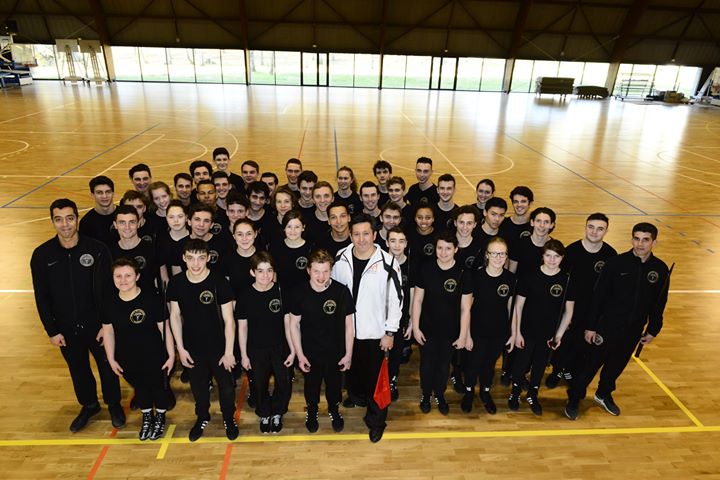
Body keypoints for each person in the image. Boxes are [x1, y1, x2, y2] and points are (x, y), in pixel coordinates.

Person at [30, 199, 124, 432]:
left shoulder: (98, 250)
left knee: (107, 366)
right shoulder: (42, 255)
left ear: (77, 219)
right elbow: (41, 296)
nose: (65, 224)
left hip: (98, 326)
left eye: (69, 218)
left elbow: (111, 291)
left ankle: (114, 404)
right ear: (52, 221)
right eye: (59, 219)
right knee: (78, 368)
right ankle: (89, 405)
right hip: (66, 327)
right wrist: (52, 330)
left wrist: (107, 324)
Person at [565, 223, 669, 421]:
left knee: (616, 366)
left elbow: (659, 302)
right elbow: (599, 297)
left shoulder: (660, 270)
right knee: (589, 366)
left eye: (645, 239)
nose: (640, 244)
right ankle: (574, 398)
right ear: (631, 239)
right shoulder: (616, 264)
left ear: (654, 242)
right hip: (607, 327)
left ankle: (603, 393)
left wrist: (653, 329)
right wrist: (591, 326)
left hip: (633, 329)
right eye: (636, 238)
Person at [332, 214, 402, 442]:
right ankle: (357, 396)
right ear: (351, 235)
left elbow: (396, 300)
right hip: (348, 333)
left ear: (374, 235)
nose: (361, 239)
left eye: (365, 234)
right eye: (356, 234)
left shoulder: (389, 263)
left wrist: (390, 332)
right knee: (353, 373)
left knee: (377, 382)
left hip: (375, 334)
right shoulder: (341, 258)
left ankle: (376, 421)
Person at [167, 239, 238, 441]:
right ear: (183, 259)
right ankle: (202, 416)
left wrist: (229, 352)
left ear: (208, 258)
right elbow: (174, 316)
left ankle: (228, 418)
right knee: (198, 387)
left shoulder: (219, 282)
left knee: (226, 387)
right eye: (190, 258)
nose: (195, 263)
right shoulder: (176, 283)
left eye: (200, 258)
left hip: (220, 348)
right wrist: (180, 348)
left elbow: (229, 320)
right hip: (193, 348)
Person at [103, 258, 175, 440]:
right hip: (128, 357)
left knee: (158, 389)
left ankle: (159, 416)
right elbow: (108, 332)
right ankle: (147, 416)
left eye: (128, 275)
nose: (123, 280)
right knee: (140, 389)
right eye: (118, 276)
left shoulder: (151, 299)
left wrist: (171, 355)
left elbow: (164, 328)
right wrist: (111, 359)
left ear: (137, 276)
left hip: (155, 355)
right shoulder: (109, 303)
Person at [546, 213, 617, 389]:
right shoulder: (572, 251)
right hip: (571, 308)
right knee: (564, 342)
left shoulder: (610, 255)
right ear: (585, 227)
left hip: (593, 311)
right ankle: (556, 370)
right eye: (591, 227)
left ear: (606, 231)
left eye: (600, 228)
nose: (594, 232)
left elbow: (610, 288)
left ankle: (570, 370)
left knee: (582, 346)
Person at [289, 250, 354, 433]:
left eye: (325, 271)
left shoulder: (341, 291)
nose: (321, 276)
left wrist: (348, 354)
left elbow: (349, 326)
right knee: (312, 386)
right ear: (308, 270)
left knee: (334, 387)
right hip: (310, 352)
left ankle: (334, 410)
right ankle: (312, 411)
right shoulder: (299, 292)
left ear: (331, 270)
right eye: (316, 271)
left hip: (335, 352)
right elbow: (293, 325)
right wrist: (300, 355)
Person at [509, 239, 574, 416]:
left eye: (556, 257)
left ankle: (532, 394)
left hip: (548, 335)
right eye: (548, 256)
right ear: (543, 256)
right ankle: (514, 393)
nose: (552, 260)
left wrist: (558, 335)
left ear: (562, 258)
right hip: (527, 331)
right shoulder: (529, 276)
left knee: (539, 366)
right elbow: (518, 306)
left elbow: (569, 312)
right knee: (521, 364)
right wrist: (516, 332)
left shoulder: (566, 280)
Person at [412, 232, 472, 415]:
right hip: (427, 329)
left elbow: (465, 308)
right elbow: (417, 300)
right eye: (439, 248)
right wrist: (415, 327)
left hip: (450, 331)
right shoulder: (426, 268)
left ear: (455, 249)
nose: (443, 252)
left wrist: (463, 334)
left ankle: (439, 394)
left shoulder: (463, 273)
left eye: (448, 248)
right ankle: (425, 394)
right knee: (427, 364)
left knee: (443, 365)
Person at [236, 252, 294, 434]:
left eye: (269, 270)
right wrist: (244, 355)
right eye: (260, 271)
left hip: (279, 348)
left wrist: (292, 350)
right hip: (256, 349)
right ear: (252, 272)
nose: (265, 275)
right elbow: (242, 327)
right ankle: (264, 413)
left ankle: (277, 412)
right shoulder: (245, 296)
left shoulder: (281, 291)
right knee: (259, 384)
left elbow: (288, 323)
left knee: (283, 383)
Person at [462, 236, 515, 414]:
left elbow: (511, 308)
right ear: (487, 255)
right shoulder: (475, 276)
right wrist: (467, 334)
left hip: (498, 332)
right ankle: (469, 392)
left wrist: (512, 333)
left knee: (489, 365)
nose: (498, 257)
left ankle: (485, 391)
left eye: (502, 254)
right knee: (473, 364)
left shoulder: (510, 278)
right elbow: (467, 308)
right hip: (477, 331)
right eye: (494, 253)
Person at [385, 227, 413, 401]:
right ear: (386, 243)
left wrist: (410, 321)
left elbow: (414, 294)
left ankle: (391, 381)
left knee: (395, 354)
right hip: (379, 318)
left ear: (406, 243)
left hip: (400, 320)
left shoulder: (411, 265)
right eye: (393, 240)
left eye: (401, 241)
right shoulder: (378, 262)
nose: (397, 245)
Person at [110, 205, 160, 295]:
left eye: (132, 222)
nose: (127, 227)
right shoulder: (109, 252)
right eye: (122, 222)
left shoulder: (152, 249)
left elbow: (162, 280)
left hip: (149, 303)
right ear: (115, 225)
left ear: (138, 223)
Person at [269, 210, 312, 292]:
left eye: (297, 227)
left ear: (303, 227)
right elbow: (273, 273)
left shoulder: (311, 248)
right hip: (283, 293)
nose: (293, 231)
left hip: (305, 294)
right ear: (284, 228)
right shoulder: (275, 247)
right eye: (289, 227)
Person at [156, 200, 189, 283]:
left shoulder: (193, 237)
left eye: (180, 216)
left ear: (186, 218)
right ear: (166, 218)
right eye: (171, 217)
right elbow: (161, 266)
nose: (176, 221)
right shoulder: (161, 239)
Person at [79, 175, 117, 247]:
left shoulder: (124, 215)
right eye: (99, 192)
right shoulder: (86, 222)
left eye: (108, 192)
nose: (104, 196)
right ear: (92, 195)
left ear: (113, 193)